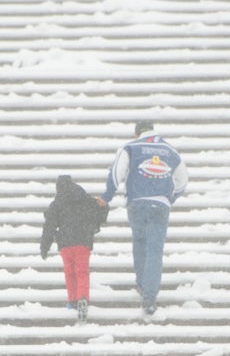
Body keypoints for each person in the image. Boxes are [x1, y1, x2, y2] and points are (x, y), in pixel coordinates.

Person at [98, 121, 187, 316]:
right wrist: (168, 197)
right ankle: (150, 298)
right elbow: (183, 181)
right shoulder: (171, 150)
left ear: (136, 132)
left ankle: (141, 283)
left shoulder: (131, 147)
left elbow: (116, 174)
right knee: (155, 249)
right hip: (160, 205)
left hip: (137, 202)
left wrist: (106, 197)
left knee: (139, 243)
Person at [40, 175, 110, 322]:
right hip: (83, 242)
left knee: (70, 273)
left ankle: (72, 300)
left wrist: (44, 247)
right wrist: (104, 207)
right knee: (82, 272)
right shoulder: (85, 200)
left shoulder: (57, 203)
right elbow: (100, 216)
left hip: (65, 243)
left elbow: (49, 226)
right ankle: (83, 297)